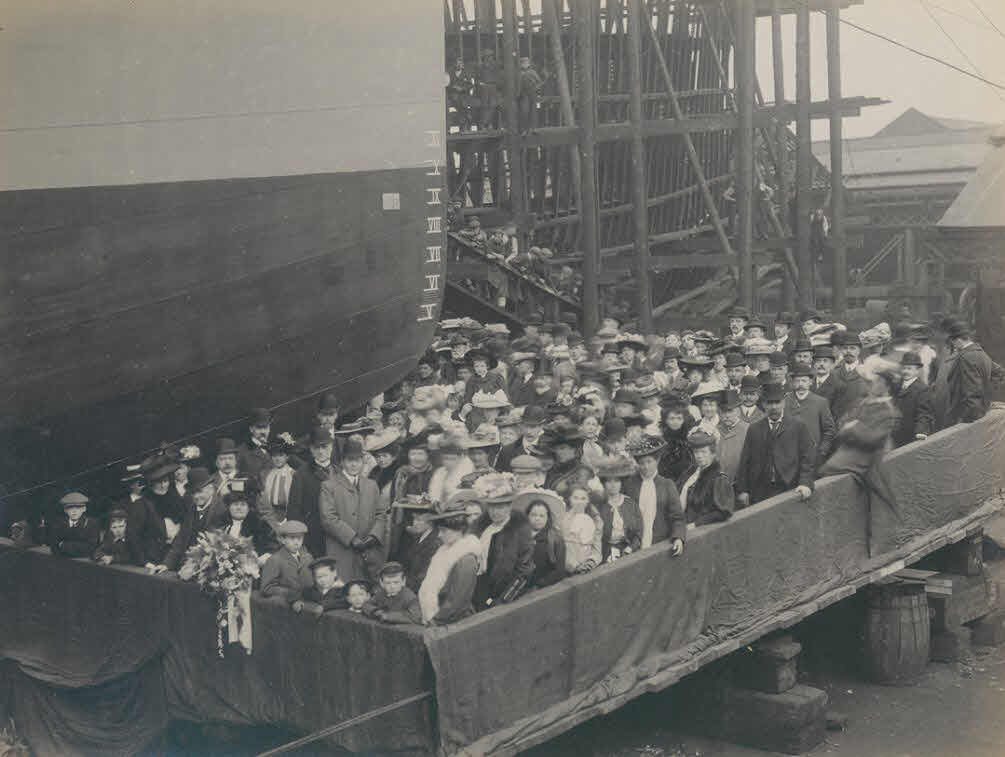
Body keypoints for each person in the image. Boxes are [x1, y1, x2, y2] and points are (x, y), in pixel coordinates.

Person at [735, 383, 815, 506]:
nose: (773, 407)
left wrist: (805, 483)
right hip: (760, 490)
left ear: (783, 403)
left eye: (777, 402)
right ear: (763, 404)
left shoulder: (798, 426)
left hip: (789, 486)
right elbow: (745, 460)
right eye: (769, 403)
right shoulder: (754, 429)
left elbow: (808, 458)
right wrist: (743, 490)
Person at [319, 439, 387, 583]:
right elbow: (328, 518)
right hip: (341, 550)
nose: (354, 464)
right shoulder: (329, 486)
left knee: (367, 591)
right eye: (350, 460)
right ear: (342, 462)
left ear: (363, 462)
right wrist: (351, 538)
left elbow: (381, 514)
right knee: (343, 590)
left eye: (357, 460)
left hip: (368, 551)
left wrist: (374, 536)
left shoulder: (372, 485)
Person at [472, 481, 535, 610]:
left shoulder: (519, 531)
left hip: (501, 592)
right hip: (479, 586)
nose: (495, 512)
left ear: (509, 507)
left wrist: (504, 599)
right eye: (491, 507)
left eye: (500, 507)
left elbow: (525, 570)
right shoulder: (482, 528)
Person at [418, 506, 482, 625]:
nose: (439, 535)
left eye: (444, 530)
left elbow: (458, 601)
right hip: (440, 616)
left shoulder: (466, 559)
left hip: (456, 621)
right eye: (439, 530)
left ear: (459, 530)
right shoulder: (443, 552)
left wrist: (437, 619)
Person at [623, 435, 685, 555]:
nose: (646, 467)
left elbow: (677, 517)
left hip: (659, 544)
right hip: (633, 546)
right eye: (642, 463)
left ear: (657, 461)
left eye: (649, 462)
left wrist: (678, 537)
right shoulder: (630, 484)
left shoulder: (667, 485)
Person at [287, 427, 338, 559]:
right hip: (313, 535)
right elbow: (293, 510)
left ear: (331, 447)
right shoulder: (302, 474)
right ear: (310, 449)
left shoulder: (340, 471)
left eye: (324, 447)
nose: (321, 451)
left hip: (338, 534)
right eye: (316, 447)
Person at [677, 432, 735, 526]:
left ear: (712, 454)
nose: (699, 456)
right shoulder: (690, 473)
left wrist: (697, 523)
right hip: (684, 526)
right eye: (696, 452)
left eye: (704, 452)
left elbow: (724, 512)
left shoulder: (719, 479)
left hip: (703, 530)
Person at [944, 319, 996, 425]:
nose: (953, 345)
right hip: (983, 410)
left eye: (952, 341)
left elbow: (972, 390)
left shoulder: (965, 357)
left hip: (965, 416)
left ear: (958, 340)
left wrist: (967, 419)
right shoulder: (982, 354)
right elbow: (999, 374)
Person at [512, 490, 567, 588]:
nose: (537, 519)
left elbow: (559, 571)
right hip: (518, 585)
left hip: (542, 588)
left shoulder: (555, 539)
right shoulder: (519, 536)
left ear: (547, 518)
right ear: (527, 516)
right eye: (533, 515)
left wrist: (539, 585)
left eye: (542, 516)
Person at [785, 363, 836, 468]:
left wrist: (822, 451)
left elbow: (829, 430)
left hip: (813, 456)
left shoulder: (820, 402)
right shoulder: (785, 401)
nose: (800, 384)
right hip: (788, 456)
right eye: (797, 381)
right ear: (793, 382)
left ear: (810, 382)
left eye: (804, 381)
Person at [594, 456, 642, 562]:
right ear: (604, 483)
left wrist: (630, 549)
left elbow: (639, 532)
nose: (613, 485)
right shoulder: (599, 506)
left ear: (621, 483)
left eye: (616, 481)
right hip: (604, 553)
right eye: (609, 481)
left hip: (628, 551)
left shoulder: (630, 503)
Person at [260, 520, 314, 601]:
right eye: (292, 538)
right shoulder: (275, 560)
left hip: (309, 600)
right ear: (282, 540)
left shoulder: (307, 557)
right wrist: (289, 593)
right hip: (287, 603)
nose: (296, 542)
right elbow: (267, 588)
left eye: (300, 538)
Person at [892, 351, 934, 447]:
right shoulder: (897, 385)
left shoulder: (922, 389)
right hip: (895, 434)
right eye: (904, 368)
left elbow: (924, 413)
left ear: (917, 371)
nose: (905, 371)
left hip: (910, 435)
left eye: (909, 369)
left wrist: (921, 431)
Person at [218, 491, 276, 559]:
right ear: (229, 507)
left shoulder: (260, 526)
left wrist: (260, 560)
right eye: (235, 504)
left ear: (248, 508)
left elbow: (273, 548)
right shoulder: (220, 524)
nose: (239, 508)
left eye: (243, 504)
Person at [258, 436, 297, 531]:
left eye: (281, 455)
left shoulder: (294, 475)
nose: (277, 459)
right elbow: (262, 500)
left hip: (288, 515)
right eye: (274, 456)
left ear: (287, 457)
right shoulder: (265, 474)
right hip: (269, 516)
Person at [496, 406, 548, 471]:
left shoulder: (548, 450)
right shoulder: (506, 451)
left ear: (541, 426)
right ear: (521, 425)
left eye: (533, 427)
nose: (528, 431)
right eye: (526, 426)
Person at [49, 492, 101, 558]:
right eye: (70, 507)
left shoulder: (92, 523)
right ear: (65, 510)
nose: (74, 511)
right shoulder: (59, 523)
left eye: (78, 507)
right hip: (62, 561)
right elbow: (54, 547)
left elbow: (91, 548)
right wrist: (79, 546)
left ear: (84, 509)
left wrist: (63, 545)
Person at [563, 486, 601, 573]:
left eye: (583, 498)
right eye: (575, 498)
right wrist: (575, 566)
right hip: (570, 566)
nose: (579, 502)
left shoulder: (595, 521)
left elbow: (597, 547)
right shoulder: (563, 520)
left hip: (589, 566)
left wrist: (592, 561)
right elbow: (563, 549)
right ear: (570, 499)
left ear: (588, 501)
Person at [832, 332, 867, 424]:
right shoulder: (834, 373)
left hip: (858, 423)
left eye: (852, 348)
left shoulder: (867, 372)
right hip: (836, 422)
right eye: (845, 348)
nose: (848, 351)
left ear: (859, 350)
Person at [428, 436, 475, 505]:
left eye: (452, 459)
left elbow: (464, 494)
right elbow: (434, 492)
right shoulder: (440, 472)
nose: (449, 462)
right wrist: (435, 501)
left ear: (460, 458)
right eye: (446, 459)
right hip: (442, 507)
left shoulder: (466, 471)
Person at [716, 390, 749, 482]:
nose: (726, 415)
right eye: (723, 412)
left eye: (730, 411)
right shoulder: (716, 431)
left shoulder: (748, 430)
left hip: (740, 482)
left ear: (738, 411)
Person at [238, 407, 273, 479]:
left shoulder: (276, 446)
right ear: (251, 429)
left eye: (265, 427)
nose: (263, 432)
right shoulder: (241, 452)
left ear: (269, 428)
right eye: (259, 428)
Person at [811, 345, 843, 411]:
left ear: (832, 365)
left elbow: (837, 413)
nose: (821, 364)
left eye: (825, 361)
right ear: (814, 364)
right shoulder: (808, 383)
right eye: (818, 361)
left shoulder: (839, 386)